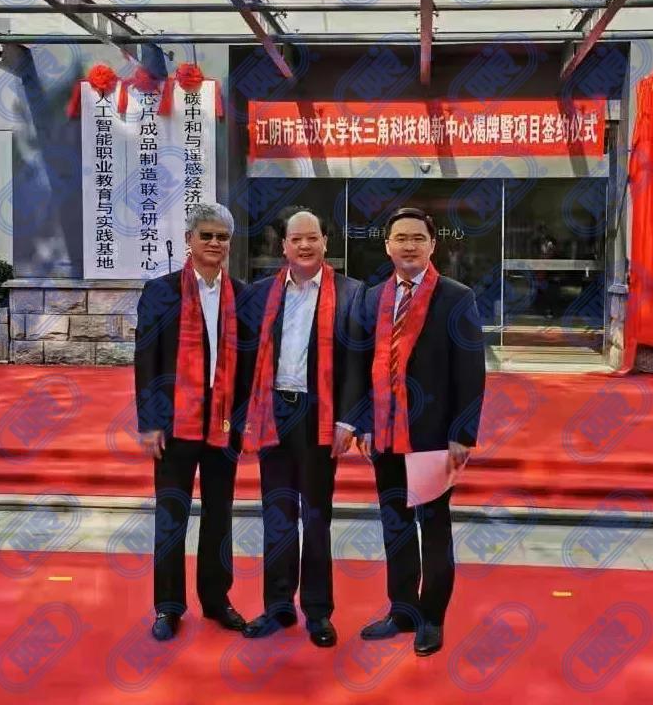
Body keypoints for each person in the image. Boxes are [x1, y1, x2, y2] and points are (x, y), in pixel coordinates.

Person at [346, 207, 486, 656]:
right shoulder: (372, 297)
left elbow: (470, 370)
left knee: (433, 526)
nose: (409, 245)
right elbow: (361, 365)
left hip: (432, 434)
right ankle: (402, 610)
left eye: (418, 238)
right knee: (396, 525)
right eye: (401, 238)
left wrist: (462, 433)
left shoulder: (456, 297)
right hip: (385, 433)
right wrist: (363, 423)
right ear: (387, 245)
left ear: (432, 245)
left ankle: (432, 618)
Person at [239, 209, 363, 648]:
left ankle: (318, 611)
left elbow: (357, 362)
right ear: (284, 246)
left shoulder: (351, 293)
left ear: (325, 242)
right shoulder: (259, 294)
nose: (305, 246)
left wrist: (349, 418)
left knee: (315, 516)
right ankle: (278, 605)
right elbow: (244, 358)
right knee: (277, 513)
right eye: (296, 239)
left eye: (313, 238)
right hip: (273, 411)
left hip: (319, 415)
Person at [134, 203, 248, 641]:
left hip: (223, 425)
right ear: (189, 239)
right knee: (171, 516)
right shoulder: (160, 292)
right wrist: (149, 422)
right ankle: (168, 606)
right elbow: (147, 360)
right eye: (207, 235)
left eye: (222, 237)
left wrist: (245, 419)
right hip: (174, 425)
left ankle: (217, 600)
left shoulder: (242, 295)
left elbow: (250, 365)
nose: (215, 243)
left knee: (220, 515)